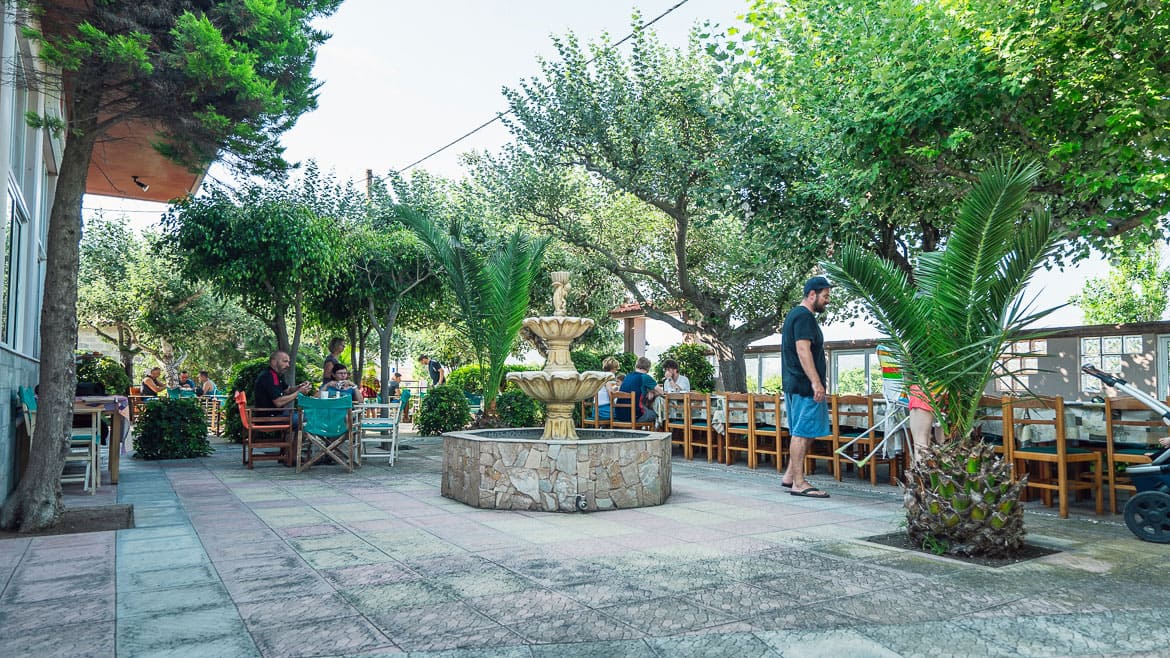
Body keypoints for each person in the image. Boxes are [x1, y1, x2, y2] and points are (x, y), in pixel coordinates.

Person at [780, 276, 835, 499]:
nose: (827, 301)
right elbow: (803, 350)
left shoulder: (795, 315)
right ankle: (799, 483)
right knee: (802, 433)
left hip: (795, 383)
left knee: (803, 431)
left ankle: (790, 475)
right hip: (805, 386)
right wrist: (816, 382)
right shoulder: (804, 317)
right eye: (825, 296)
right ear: (812, 294)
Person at [254, 351, 313, 421]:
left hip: (278, 414)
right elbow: (278, 402)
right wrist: (299, 393)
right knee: (308, 417)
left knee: (308, 415)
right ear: (274, 362)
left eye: (288, 362)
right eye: (285, 361)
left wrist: (300, 386)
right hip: (268, 418)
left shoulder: (277, 374)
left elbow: (288, 390)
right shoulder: (267, 376)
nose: (288, 365)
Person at [616, 356, 657, 424]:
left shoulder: (628, 376)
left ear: (636, 365)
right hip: (634, 416)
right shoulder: (645, 376)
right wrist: (652, 391)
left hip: (620, 415)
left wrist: (649, 391)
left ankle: (636, 431)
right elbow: (661, 391)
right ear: (648, 368)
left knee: (644, 409)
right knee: (654, 414)